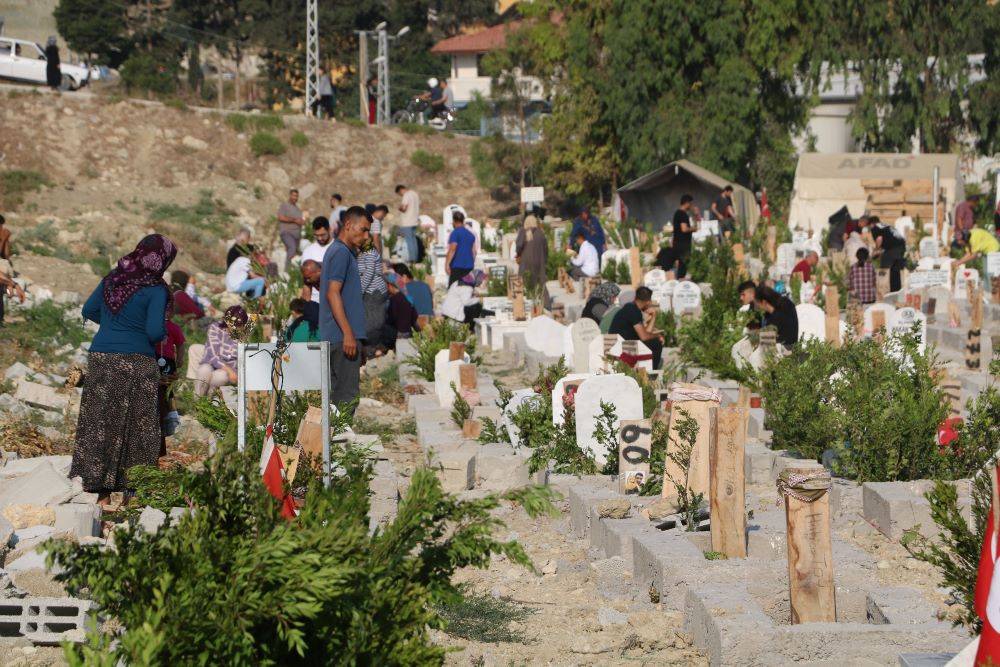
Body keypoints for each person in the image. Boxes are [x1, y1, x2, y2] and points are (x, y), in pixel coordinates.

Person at [71, 234, 176, 503]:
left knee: (100, 423)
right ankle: (133, 497)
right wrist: (158, 332)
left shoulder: (113, 277)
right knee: (139, 428)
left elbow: (89, 309)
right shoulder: (156, 289)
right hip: (136, 362)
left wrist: (112, 324)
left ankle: (100, 496)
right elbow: (154, 330)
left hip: (102, 357)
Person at [320, 206, 370, 408]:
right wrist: (349, 334)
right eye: (363, 229)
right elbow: (333, 292)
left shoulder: (342, 252)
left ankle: (333, 437)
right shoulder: (340, 252)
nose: (366, 236)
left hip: (343, 337)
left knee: (340, 397)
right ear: (348, 224)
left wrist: (359, 338)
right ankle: (338, 438)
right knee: (346, 398)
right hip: (341, 337)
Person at [194, 306, 246, 396]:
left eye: (239, 325)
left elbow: (239, 360)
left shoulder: (242, 336)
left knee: (221, 377)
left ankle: (209, 401)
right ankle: (197, 400)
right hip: (211, 363)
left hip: (229, 370)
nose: (235, 327)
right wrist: (229, 370)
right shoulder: (215, 328)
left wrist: (233, 372)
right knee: (204, 370)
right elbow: (213, 355)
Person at [609, 286, 664, 370]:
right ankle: (652, 374)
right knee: (656, 343)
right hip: (622, 346)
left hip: (622, 343)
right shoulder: (633, 310)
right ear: (648, 302)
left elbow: (646, 333)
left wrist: (653, 317)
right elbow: (644, 337)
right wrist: (657, 336)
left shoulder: (632, 308)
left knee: (653, 341)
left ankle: (650, 370)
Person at [155, 303, 185, 456]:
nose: (167, 312)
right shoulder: (153, 324)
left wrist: (180, 359)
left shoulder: (174, 328)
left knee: (167, 389)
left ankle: (171, 411)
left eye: (170, 310)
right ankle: (168, 413)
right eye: (164, 309)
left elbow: (180, 344)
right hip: (154, 358)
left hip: (167, 360)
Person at [358, 214, 388, 355]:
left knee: (372, 322)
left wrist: (360, 290)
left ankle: (372, 348)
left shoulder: (369, 252)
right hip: (370, 290)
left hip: (374, 290)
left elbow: (369, 272)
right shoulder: (364, 253)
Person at [869, 220, 905, 293]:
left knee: (884, 270)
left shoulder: (875, 228)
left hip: (893, 249)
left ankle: (884, 290)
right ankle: (896, 291)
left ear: (871, 224)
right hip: (901, 247)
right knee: (895, 271)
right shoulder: (886, 226)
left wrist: (876, 250)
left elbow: (879, 239)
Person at [515, 214, 548, 290]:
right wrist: (545, 260)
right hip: (539, 262)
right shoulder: (541, 233)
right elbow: (546, 249)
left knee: (525, 284)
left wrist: (518, 254)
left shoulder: (523, 231)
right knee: (538, 284)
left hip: (526, 262)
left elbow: (518, 246)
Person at [277, 189, 306, 270]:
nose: (295, 197)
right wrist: (294, 220)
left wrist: (302, 222)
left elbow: (299, 222)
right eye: (293, 195)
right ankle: (287, 270)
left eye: (296, 196)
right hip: (287, 232)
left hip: (297, 236)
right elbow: (280, 217)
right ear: (290, 195)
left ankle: (293, 273)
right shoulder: (285, 205)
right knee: (292, 248)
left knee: (295, 253)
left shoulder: (298, 209)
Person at [446, 211, 476, 285]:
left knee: (453, 292)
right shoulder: (471, 235)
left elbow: (452, 249)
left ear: (454, 221)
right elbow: (474, 252)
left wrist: (447, 264)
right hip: (469, 267)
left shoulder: (455, 233)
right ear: (463, 221)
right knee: (467, 291)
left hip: (457, 267)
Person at [672, 194, 695, 278]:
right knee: (683, 265)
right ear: (686, 203)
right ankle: (680, 282)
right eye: (690, 203)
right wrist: (693, 229)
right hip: (683, 244)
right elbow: (684, 229)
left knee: (681, 265)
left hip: (678, 242)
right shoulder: (682, 214)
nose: (691, 206)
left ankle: (680, 280)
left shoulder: (677, 213)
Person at [396, 184, 420, 262]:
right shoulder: (415, 194)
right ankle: (415, 259)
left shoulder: (406, 195)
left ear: (400, 190)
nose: (401, 195)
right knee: (414, 241)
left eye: (400, 194)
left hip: (407, 222)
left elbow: (404, 208)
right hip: (414, 221)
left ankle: (412, 260)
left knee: (409, 241)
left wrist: (399, 208)